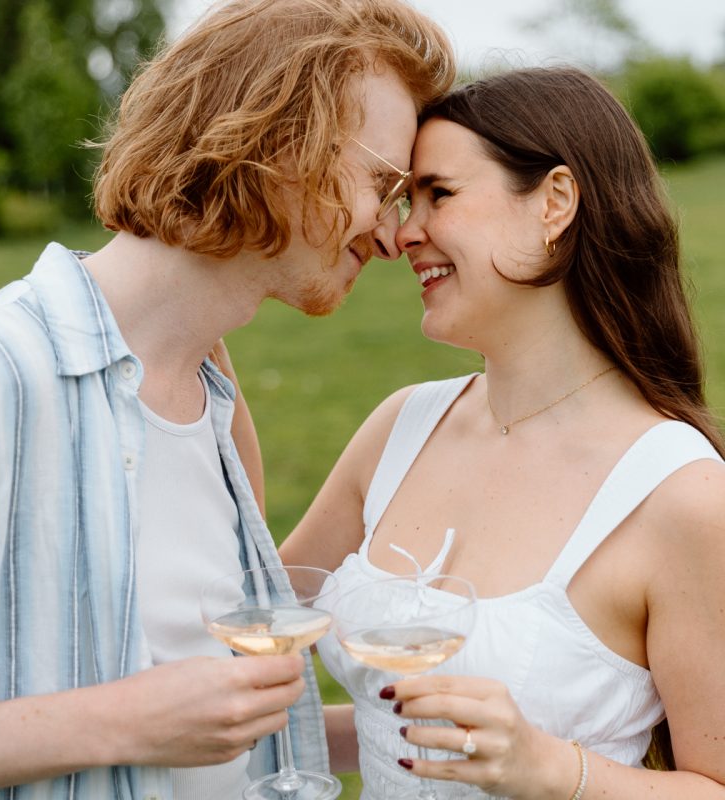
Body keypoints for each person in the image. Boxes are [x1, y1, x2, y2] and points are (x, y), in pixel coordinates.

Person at [0, 1, 456, 797]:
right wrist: (120, 722)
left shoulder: (215, 400)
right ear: (276, 141)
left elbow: (212, 708)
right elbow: (151, 717)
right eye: (383, 183)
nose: (391, 235)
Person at [281, 66, 725, 798]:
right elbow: (262, 615)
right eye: (401, 199)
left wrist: (552, 770)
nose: (401, 234)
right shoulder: (401, 428)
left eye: (438, 195)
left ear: (554, 203)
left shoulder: (682, 496)